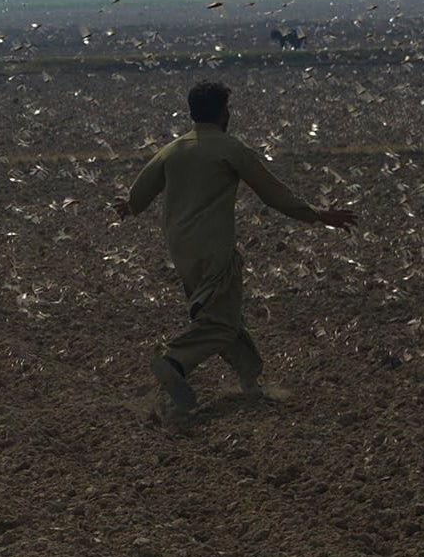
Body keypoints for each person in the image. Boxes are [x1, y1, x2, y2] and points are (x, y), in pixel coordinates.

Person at [117, 81, 356, 426]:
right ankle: (175, 361)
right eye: (227, 109)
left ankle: (249, 380)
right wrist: (317, 214)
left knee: (224, 313)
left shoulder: (172, 150)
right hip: (214, 247)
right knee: (220, 322)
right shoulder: (230, 148)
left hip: (180, 251)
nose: (229, 114)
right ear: (220, 112)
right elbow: (272, 192)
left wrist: (130, 208)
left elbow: (139, 194)